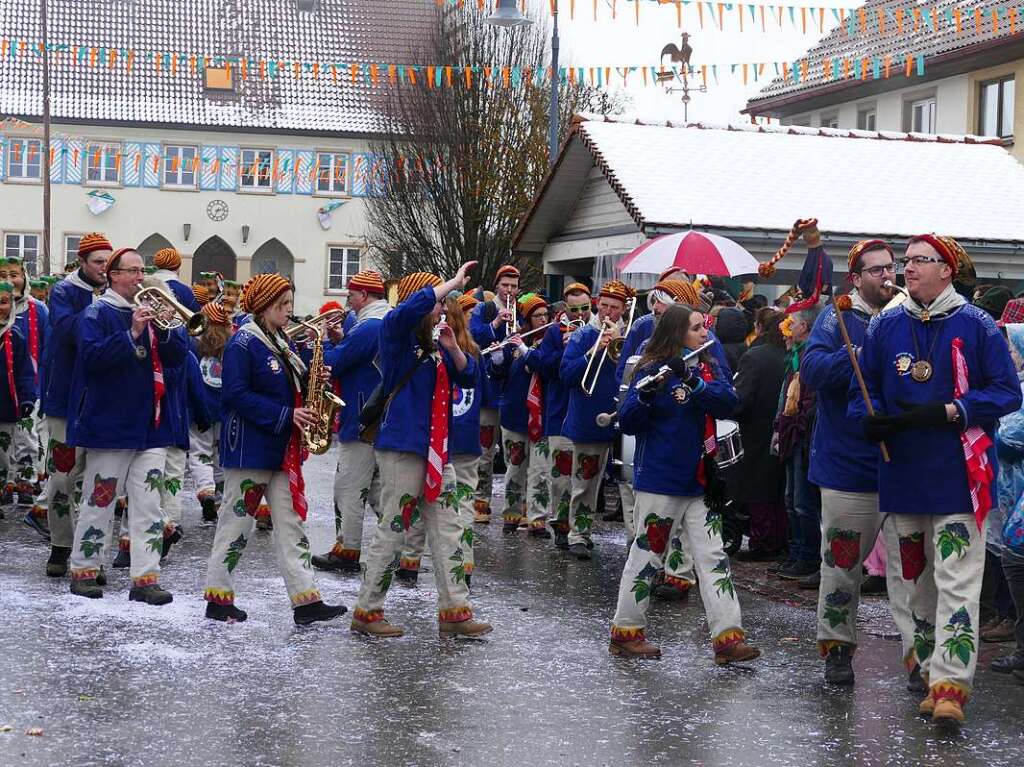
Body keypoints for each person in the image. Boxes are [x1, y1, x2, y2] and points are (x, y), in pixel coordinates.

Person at [857, 234, 1022, 727]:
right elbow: (864, 390)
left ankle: (951, 687)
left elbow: (1007, 392)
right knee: (911, 584)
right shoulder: (885, 324)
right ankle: (927, 670)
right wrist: (871, 419)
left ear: (946, 270)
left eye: (918, 262)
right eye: (905, 262)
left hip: (956, 477)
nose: (906, 270)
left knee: (957, 583)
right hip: (902, 474)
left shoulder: (977, 325)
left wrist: (954, 409)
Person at [801, 239, 934, 688]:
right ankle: (837, 648)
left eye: (890, 267)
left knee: (914, 571)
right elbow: (813, 372)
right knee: (841, 567)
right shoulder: (836, 318)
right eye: (875, 270)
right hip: (848, 469)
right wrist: (855, 354)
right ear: (856, 279)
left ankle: (921, 659)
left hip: (904, 467)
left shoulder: (911, 318)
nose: (887, 275)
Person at [609, 304, 759, 664]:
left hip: (700, 480)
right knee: (646, 557)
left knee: (714, 558)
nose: (705, 333)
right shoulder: (648, 368)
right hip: (661, 480)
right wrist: (647, 392)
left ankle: (728, 639)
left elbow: (728, 402)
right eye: (696, 328)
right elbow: (628, 422)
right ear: (678, 333)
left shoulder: (707, 366)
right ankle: (625, 632)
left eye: (704, 326)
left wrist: (694, 381)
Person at [350, 264, 491, 639]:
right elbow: (404, 311)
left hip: (434, 452)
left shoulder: (435, 344)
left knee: (449, 530)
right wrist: (449, 284)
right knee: (394, 529)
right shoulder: (395, 335)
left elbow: (468, 376)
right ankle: (367, 610)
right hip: (402, 449)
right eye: (438, 302)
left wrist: (452, 349)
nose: (443, 309)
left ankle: (455, 611)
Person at [203, 273, 347, 625]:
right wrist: (286, 413)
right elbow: (235, 394)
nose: (288, 311)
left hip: (279, 449)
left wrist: (317, 380)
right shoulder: (242, 344)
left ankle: (306, 601)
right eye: (282, 305)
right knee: (236, 525)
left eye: (289, 304)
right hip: (250, 450)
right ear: (264, 306)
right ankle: (218, 598)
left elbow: (293, 383)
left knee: (291, 525)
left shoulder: (281, 340)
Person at [66, 248, 189, 605]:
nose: (139, 277)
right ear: (113, 275)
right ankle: (85, 569)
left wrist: (167, 330)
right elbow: (91, 358)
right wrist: (132, 333)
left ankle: (145, 577)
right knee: (100, 499)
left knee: (149, 503)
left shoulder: (150, 309)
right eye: (132, 271)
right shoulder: (96, 312)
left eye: (141, 270)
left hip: (151, 423)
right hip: (111, 423)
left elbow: (178, 357)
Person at [398, 293, 485, 585]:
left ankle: (409, 560)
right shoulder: (472, 352)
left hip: (441, 437)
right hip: (466, 437)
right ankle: (465, 565)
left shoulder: (439, 352)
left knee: (424, 500)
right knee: (462, 504)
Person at [42, 233, 111, 578]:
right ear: (82, 262)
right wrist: (101, 308)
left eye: (108, 262)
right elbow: (68, 330)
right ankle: (61, 543)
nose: (104, 268)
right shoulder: (64, 292)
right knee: (60, 480)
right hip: (64, 400)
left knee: (99, 483)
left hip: (101, 401)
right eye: (98, 262)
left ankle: (92, 553)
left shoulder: (115, 293)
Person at [311, 270, 390, 574]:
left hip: (361, 418)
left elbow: (335, 363)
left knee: (348, 487)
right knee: (375, 490)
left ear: (364, 296)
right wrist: (341, 339)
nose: (348, 302)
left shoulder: (369, 325)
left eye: (351, 296)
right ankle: (401, 547)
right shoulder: (378, 322)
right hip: (374, 416)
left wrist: (327, 345)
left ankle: (347, 549)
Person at [560, 280, 635, 560]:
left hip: (623, 418)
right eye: (603, 306)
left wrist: (620, 345)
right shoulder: (582, 336)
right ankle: (578, 535)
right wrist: (594, 351)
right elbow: (566, 375)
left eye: (614, 308)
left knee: (628, 484)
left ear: (623, 309)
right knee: (585, 482)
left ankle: (634, 541)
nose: (607, 313)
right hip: (589, 419)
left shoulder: (631, 336)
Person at [536, 284, 590, 549]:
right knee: (561, 478)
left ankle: (581, 531)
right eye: (575, 309)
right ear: (565, 309)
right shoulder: (553, 333)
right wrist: (566, 351)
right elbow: (544, 366)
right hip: (560, 414)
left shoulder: (598, 331)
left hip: (587, 414)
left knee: (585, 479)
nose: (581, 313)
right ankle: (561, 525)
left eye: (585, 308)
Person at [732, 309, 788, 561]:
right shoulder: (791, 354)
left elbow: (742, 399)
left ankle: (763, 541)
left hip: (755, 429)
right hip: (783, 430)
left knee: (758, 489)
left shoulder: (754, 356)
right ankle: (781, 540)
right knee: (780, 489)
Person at [0, 257, 50, 535]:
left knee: (28, 436)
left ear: (24, 277)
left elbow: (47, 345)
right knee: (4, 440)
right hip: (3, 389)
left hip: (30, 383)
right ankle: (6, 482)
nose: (11, 279)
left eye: (15, 274)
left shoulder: (37, 309)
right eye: (4, 274)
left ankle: (26, 482)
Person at [495, 293, 553, 536]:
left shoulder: (552, 340)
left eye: (544, 315)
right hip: (514, 413)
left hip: (542, 414)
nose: (542, 320)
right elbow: (498, 372)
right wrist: (498, 357)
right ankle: (511, 514)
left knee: (540, 470)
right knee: (515, 467)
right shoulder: (513, 338)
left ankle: (537, 519)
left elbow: (548, 366)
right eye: (536, 316)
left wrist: (526, 349)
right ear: (527, 319)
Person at [773, 306, 822, 581]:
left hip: (802, 434)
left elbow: (808, 399)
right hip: (790, 431)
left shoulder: (808, 355)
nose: (786, 326)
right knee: (791, 499)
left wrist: (797, 427)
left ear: (804, 326)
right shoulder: (794, 353)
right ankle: (796, 552)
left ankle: (808, 555)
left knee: (803, 502)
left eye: (791, 321)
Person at [468, 265, 520, 524]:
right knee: (485, 450)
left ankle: (514, 507)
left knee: (515, 451)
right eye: (505, 285)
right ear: (497, 285)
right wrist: (497, 322)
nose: (509, 290)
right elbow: (473, 336)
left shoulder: (522, 311)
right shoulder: (483, 308)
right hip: (489, 391)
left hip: (513, 390)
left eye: (513, 286)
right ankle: (481, 502)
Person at [187, 301, 232, 523]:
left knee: (200, 452)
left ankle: (206, 490)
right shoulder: (231, 346)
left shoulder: (193, 345)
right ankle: (219, 497)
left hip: (201, 406)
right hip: (224, 408)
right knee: (221, 453)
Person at [0, 281, 37, 513]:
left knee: (3, 454)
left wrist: (27, 398)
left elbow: (24, 372)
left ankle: (3, 488)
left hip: (5, 405)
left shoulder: (16, 336)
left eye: (3, 302)